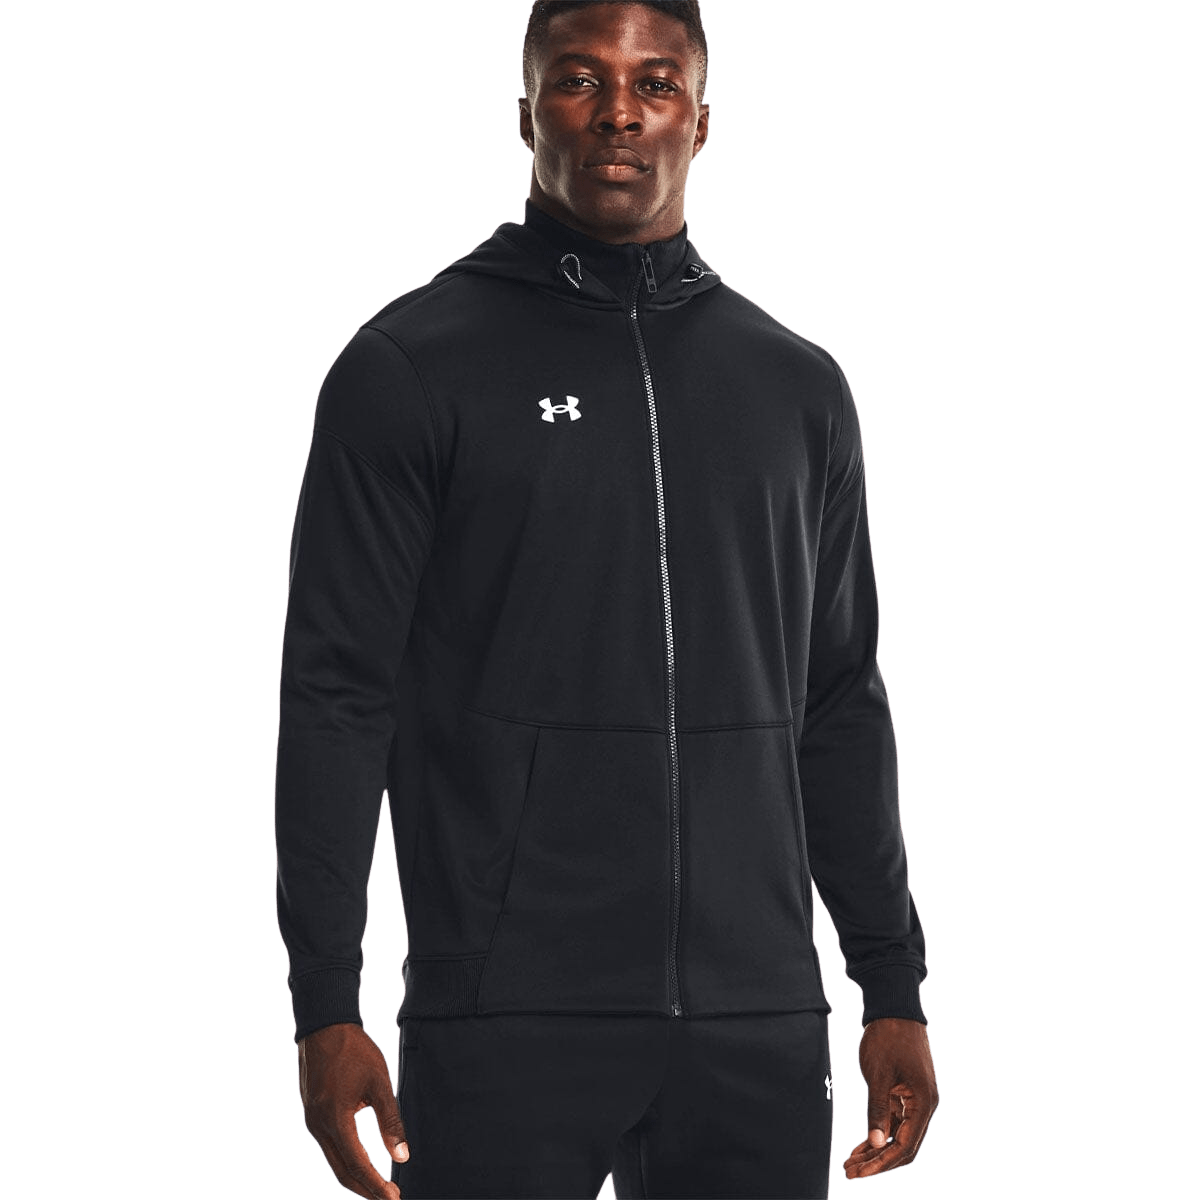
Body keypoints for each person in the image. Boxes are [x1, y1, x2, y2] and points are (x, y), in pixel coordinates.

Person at [275, 2, 939, 1197]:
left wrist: (891, 983)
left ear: (701, 120)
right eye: (581, 79)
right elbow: (337, 696)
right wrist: (326, 1000)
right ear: (528, 113)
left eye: (656, 82)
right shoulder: (412, 368)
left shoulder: (796, 387)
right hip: (508, 1014)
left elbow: (841, 700)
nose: (620, 111)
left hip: (756, 1017)